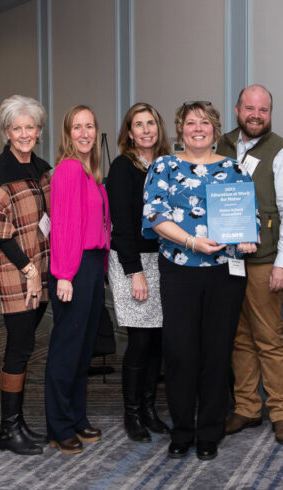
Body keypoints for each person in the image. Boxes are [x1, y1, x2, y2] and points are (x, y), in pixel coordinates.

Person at [142, 101, 257, 461]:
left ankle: (209, 430)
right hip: (179, 270)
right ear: (181, 129)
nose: (197, 128)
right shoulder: (164, 165)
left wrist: (245, 238)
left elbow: (246, 217)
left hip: (225, 273)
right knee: (179, 352)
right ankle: (182, 429)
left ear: (215, 129)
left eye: (204, 123)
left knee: (216, 352)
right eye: (190, 122)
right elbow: (155, 216)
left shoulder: (235, 168)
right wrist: (192, 241)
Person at [219, 84, 283, 445]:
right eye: (250, 108)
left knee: (269, 339)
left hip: (264, 261)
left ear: (270, 113)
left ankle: (281, 412)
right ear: (237, 109)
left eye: (263, 110)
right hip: (224, 259)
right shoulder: (219, 144)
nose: (256, 115)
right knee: (239, 338)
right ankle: (247, 407)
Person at [0, 95, 53, 456]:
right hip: (15, 271)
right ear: (6, 131)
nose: (24, 134)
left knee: (26, 345)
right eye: (17, 128)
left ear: (39, 130)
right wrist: (30, 270)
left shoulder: (43, 168)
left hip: (41, 268)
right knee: (19, 346)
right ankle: (9, 429)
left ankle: (16, 422)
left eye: (30, 127)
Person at [43, 105, 112, 455]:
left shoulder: (91, 171)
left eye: (90, 126)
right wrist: (64, 275)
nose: (84, 133)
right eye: (77, 127)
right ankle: (58, 425)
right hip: (74, 267)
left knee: (84, 349)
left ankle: (77, 417)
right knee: (67, 349)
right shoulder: (69, 170)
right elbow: (64, 228)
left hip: (92, 265)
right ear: (67, 134)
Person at [107, 103, 172, 442]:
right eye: (139, 125)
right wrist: (135, 272)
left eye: (151, 123)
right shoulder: (122, 168)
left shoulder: (167, 166)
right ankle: (132, 414)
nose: (146, 130)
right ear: (129, 133)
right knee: (140, 340)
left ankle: (149, 409)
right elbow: (121, 227)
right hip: (132, 263)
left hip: (164, 262)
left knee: (158, 340)